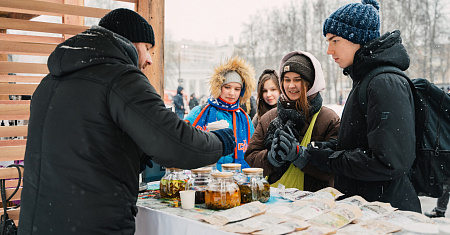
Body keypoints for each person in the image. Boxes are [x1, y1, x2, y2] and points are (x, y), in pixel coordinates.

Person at [18, 8, 235, 235]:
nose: (150, 59)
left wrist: (133, 153)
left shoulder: (49, 82)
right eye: (147, 49)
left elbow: (84, 145)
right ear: (129, 43)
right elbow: (175, 143)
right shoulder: (121, 78)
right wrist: (220, 141)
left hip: (40, 222)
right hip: (93, 225)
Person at [301, 0, 422, 212]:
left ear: (357, 38)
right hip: (369, 207)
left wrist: (331, 159)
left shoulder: (384, 83)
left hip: (388, 212)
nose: (329, 50)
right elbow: (363, 142)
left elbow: (389, 161)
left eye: (335, 40)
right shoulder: (366, 80)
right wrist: (322, 150)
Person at [244, 51, 340, 191]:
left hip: (315, 205)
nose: (291, 85)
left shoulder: (328, 119)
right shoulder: (269, 118)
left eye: (297, 80)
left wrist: (301, 156)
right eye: (287, 80)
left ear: (311, 82)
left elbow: (335, 168)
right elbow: (251, 158)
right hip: (276, 205)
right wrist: (271, 158)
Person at [185, 56, 256, 171]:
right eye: (227, 87)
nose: (232, 93)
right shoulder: (199, 112)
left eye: (237, 89)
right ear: (219, 87)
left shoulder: (245, 119)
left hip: (235, 181)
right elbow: (182, 140)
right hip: (205, 179)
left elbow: (252, 153)